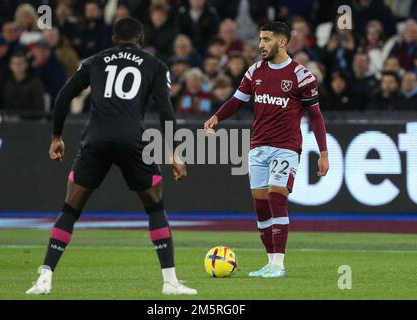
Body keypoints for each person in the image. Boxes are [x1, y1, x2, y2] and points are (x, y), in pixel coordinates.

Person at [26, 17, 197, 296]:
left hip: (95, 140)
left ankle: (44, 278)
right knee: (155, 208)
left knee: (70, 209)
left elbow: (62, 98)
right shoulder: (155, 65)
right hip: (133, 141)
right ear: (141, 39)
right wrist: (173, 152)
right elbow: (166, 111)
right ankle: (170, 282)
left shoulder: (94, 60)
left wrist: (57, 137)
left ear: (113, 39)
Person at [204, 22, 329, 278]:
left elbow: (315, 116)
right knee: (260, 207)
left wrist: (324, 153)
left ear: (282, 43)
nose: (260, 44)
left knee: (276, 197)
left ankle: (279, 265)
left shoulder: (301, 75)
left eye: (266, 39)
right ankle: (270, 262)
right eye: (260, 39)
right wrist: (217, 117)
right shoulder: (255, 71)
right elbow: (237, 102)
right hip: (258, 147)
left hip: (286, 148)